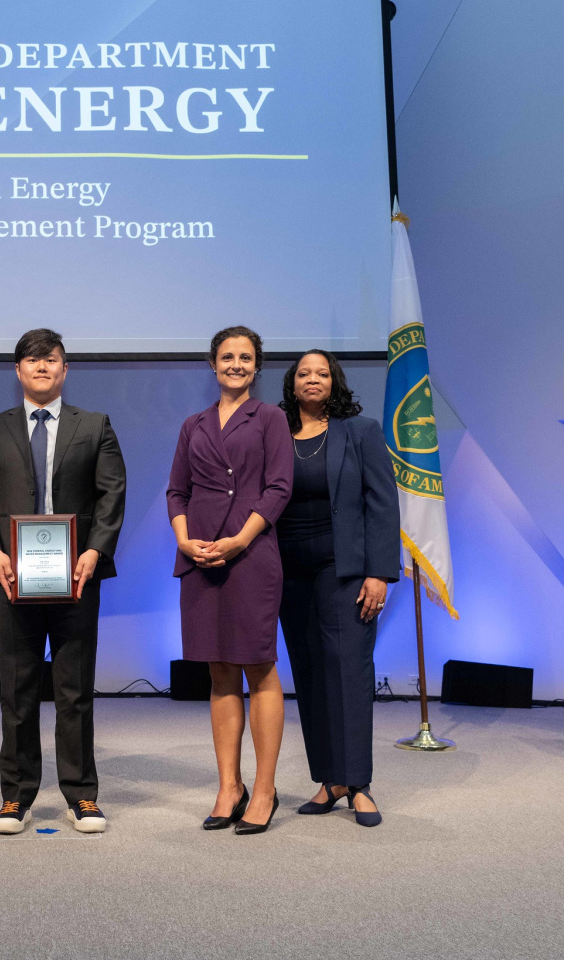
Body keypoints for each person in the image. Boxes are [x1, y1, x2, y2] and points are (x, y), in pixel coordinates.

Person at [0, 328, 126, 835]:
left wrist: (96, 550)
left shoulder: (95, 425)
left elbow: (112, 494)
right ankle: (16, 797)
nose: (41, 367)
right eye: (31, 361)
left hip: (77, 578)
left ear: (64, 369)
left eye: (51, 360)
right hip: (13, 579)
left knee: (74, 691)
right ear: (18, 371)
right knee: (17, 689)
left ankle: (81, 795)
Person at [166, 326, 293, 835]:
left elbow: (280, 487)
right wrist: (182, 539)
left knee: (258, 667)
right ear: (212, 365)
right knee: (219, 672)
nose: (236, 364)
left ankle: (264, 789)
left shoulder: (271, 418)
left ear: (256, 367)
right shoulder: (192, 423)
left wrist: (241, 540)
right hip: (200, 557)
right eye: (227, 357)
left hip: (252, 554)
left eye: (245, 357)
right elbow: (176, 491)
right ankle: (229, 786)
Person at [276, 350, 399, 827]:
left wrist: (379, 573)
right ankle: (329, 780)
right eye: (304, 373)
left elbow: (383, 505)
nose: (313, 379)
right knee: (308, 672)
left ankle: (359, 784)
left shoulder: (361, 431)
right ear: (292, 383)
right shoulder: (276, 432)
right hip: (287, 570)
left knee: (348, 670)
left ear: (335, 381)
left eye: (322, 373)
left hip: (344, 570)